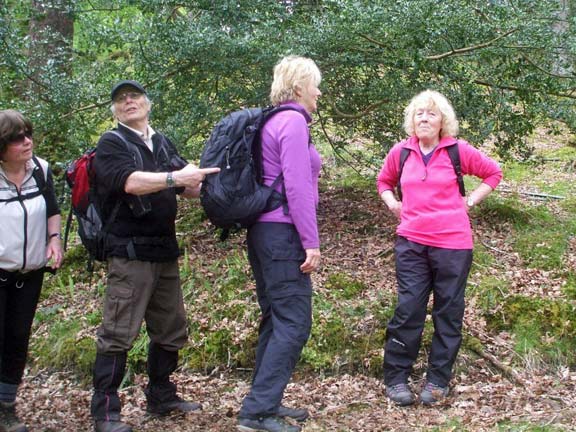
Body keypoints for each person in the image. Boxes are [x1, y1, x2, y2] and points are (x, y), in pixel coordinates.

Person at [90, 80, 219, 432]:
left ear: (148, 103)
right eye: (120, 99)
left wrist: (210, 181)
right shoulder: (111, 143)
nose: (128, 102)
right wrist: (175, 176)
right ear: (114, 110)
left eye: (134, 96)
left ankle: (161, 395)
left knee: (171, 329)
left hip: (164, 249)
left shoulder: (161, 142)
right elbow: (129, 182)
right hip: (129, 253)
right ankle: (105, 413)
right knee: (118, 333)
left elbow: (189, 187)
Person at [377, 90, 502, 406]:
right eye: (419, 113)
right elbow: (383, 182)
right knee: (409, 310)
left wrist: (470, 200)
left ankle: (436, 381)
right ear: (411, 120)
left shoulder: (458, 150)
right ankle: (396, 379)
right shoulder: (402, 152)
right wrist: (392, 203)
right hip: (411, 243)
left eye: (431, 113)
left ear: (443, 120)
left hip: (453, 246)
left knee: (448, 312)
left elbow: (493, 173)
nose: (423, 118)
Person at [237, 56, 322, 432]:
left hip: (262, 232)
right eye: (315, 85)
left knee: (276, 317)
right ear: (300, 86)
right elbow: (298, 187)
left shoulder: (272, 120)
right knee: (294, 320)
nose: (319, 92)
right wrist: (311, 242)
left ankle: (264, 400)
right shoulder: (291, 122)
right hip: (281, 232)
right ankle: (256, 413)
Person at [0, 109, 63, 432]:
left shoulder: (40, 169)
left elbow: (52, 209)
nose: (27, 142)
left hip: (31, 273)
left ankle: (6, 407)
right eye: (17, 138)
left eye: (28, 134)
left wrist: (55, 240)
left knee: (17, 338)